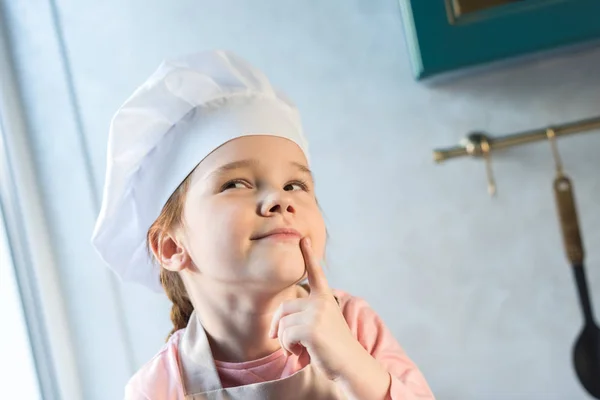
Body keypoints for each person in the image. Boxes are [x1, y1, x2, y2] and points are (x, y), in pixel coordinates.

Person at [92, 50, 435, 399]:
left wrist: (352, 366)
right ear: (171, 246)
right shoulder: (159, 388)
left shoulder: (352, 324)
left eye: (295, 185)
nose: (279, 199)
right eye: (235, 184)